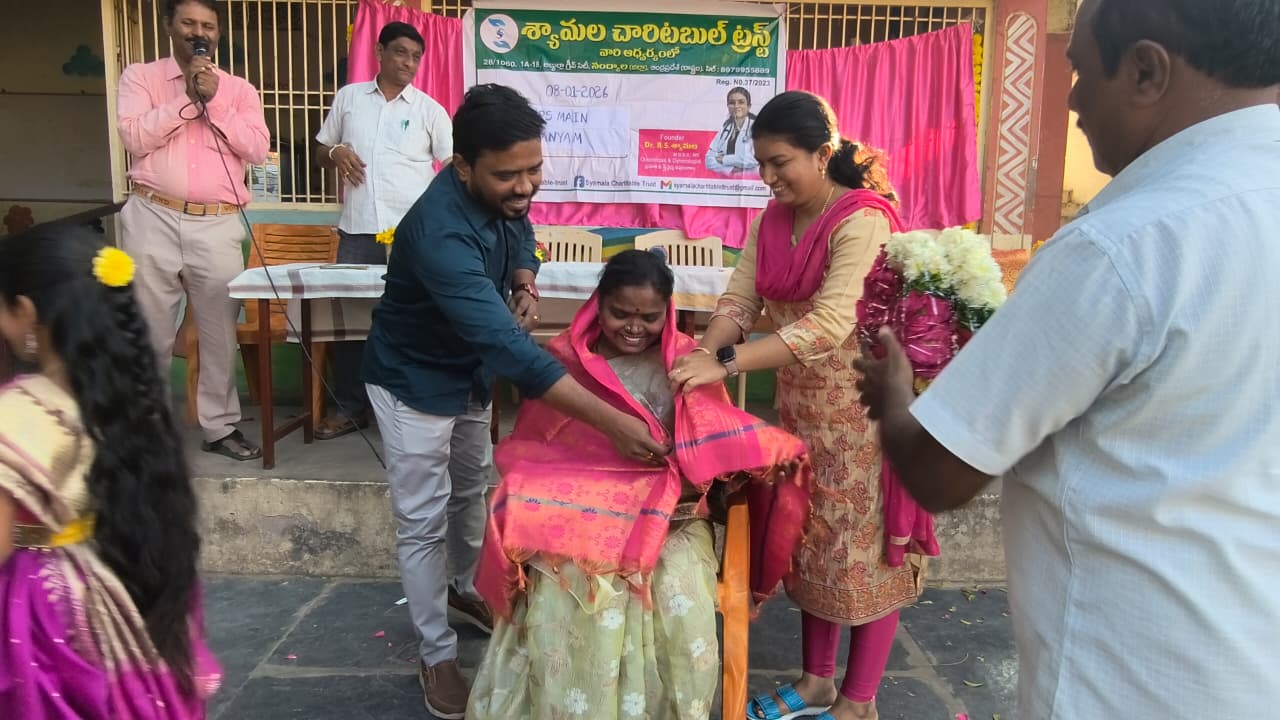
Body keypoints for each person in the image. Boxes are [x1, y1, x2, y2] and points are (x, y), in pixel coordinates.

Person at [853, 1, 1280, 717]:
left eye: (1081, 70)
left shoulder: (1124, 246)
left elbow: (940, 471)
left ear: (1145, 71)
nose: (1074, 100)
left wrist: (896, 398)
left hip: (1132, 683)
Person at [361, 84, 670, 720]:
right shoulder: (441, 233)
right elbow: (511, 350)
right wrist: (615, 424)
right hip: (414, 382)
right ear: (463, 166)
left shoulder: (501, 195)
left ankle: (464, 587)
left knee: (472, 489)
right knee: (422, 518)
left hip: (468, 378)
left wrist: (525, 278)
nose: (525, 185)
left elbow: (521, 230)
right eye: (508, 175)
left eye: (534, 169)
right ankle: (435, 651)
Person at [467, 249, 812, 720]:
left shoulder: (689, 363)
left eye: (649, 317)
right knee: (563, 575)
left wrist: (739, 457)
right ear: (598, 304)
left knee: (677, 592)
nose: (634, 327)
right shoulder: (566, 359)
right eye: (620, 314)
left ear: (667, 312)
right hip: (582, 505)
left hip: (673, 514)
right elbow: (541, 446)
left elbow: (714, 442)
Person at [670, 90, 927, 720]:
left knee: (863, 554)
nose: (768, 176)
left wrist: (727, 362)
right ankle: (816, 683)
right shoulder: (770, 221)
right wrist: (701, 356)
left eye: (780, 162)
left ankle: (858, 700)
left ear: (822, 152)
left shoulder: (862, 220)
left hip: (864, 414)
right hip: (801, 413)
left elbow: (829, 324)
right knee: (810, 542)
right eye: (760, 163)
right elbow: (740, 302)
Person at [0, 226, 221, 717]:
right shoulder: (134, 399)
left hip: (43, 616)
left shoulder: (14, 415)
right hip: (121, 579)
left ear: (27, 312)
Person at [116, 0, 270, 461]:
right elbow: (134, 137)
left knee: (219, 332)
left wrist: (214, 99)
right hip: (153, 216)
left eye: (207, 25)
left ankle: (220, 428)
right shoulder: (140, 78)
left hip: (217, 221)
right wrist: (186, 99)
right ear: (170, 26)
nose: (198, 32)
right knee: (149, 329)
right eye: (188, 23)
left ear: (217, 33)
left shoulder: (239, 89)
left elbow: (257, 148)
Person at [313, 21, 453, 440]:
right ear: (379, 51)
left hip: (410, 238)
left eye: (416, 57)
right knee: (350, 324)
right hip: (358, 231)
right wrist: (336, 153)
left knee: (413, 318)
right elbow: (320, 149)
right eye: (400, 52)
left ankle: (409, 405)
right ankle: (351, 407)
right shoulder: (349, 99)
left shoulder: (429, 110)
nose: (408, 63)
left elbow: (453, 169)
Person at [705, 86, 759, 175]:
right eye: (732, 103)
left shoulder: (757, 128)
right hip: (727, 179)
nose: (736, 106)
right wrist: (731, 169)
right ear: (728, 106)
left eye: (741, 102)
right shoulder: (725, 129)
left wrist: (723, 159)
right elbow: (709, 160)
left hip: (750, 179)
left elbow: (755, 159)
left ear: (749, 106)